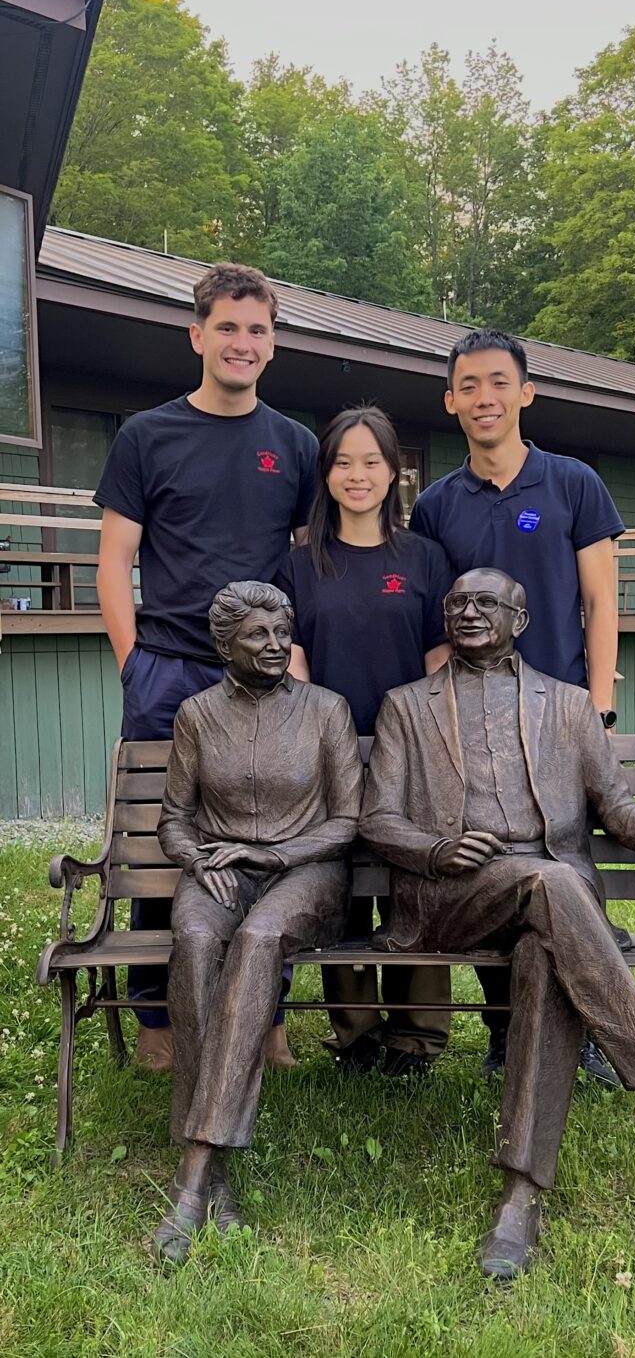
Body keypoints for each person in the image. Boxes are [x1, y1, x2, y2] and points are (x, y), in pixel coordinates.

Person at [360, 568, 635, 1279]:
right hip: (452, 899)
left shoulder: (571, 705)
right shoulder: (406, 706)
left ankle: (518, 1205)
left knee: (546, 957)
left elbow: (615, 807)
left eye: (486, 603)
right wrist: (436, 847)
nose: (468, 612)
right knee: (550, 883)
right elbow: (375, 820)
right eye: (457, 603)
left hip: (552, 909)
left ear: (520, 618)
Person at [95, 262, 317, 1073]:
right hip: (165, 672)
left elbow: (302, 564)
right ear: (197, 336)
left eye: (257, 329)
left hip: (261, 680)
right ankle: (158, 1021)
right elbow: (113, 563)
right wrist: (133, 665)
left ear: (272, 345)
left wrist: (291, 660)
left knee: (273, 841)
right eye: (227, 326)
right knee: (159, 851)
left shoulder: (293, 446)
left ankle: (268, 1021)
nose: (242, 342)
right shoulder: (146, 436)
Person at [410, 328, 625, 1081]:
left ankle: (589, 1031)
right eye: (468, 386)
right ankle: (506, 1031)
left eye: (498, 383)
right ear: (451, 401)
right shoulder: (436, 505)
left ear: (526, 392)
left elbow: (602, 603)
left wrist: (598, 709)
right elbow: (435, 619)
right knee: (493, 864)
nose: (484, 398)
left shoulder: (573, 484)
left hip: (560, 718)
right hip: (476, 721)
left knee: (565, 860)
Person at [154, 581, 363, 1265]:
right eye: (258, 635)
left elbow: (348, 822)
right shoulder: (195, 715)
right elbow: (174, 820)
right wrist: (196, 857)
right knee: (192, 938)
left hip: (308, 873)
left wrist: (273, 851)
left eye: (283, 632)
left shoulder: (326, 710)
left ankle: (194, 1171)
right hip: (219, 869)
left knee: (258, 938)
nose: (275, 645)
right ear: (225, 644)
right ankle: (214, 1171)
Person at [276, 405, 454, 1075]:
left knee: (415, 884)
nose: (358, 474)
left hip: (412, 754)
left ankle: (416, 1037)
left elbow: (442, 658)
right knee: (343, 887)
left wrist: (428, 735)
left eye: (371, 461)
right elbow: (290, 661)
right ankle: (353, 1033)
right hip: (331, 753)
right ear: (327, 473)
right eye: (343, 461)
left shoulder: (425, 559)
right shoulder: (297, 565)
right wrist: (320, 736)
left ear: (394, 472)